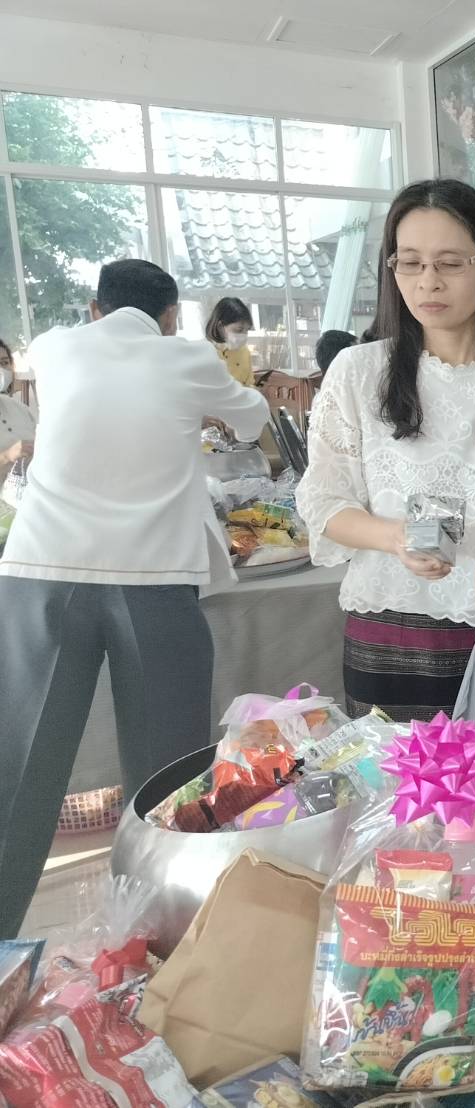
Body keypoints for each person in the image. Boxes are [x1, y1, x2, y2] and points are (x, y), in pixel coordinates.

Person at [294, 178, 475, 856]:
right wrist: (394, 538)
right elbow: (322, 499)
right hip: (390, 638)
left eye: (450, 262)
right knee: (407, 838)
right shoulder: (358, 372)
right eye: (410, 262)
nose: (428, 280)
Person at [0, 259, 269, 937]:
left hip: (41, 567)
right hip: (152, 577)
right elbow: (252, 420)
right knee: (165, 773)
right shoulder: (188, 358)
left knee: (21, 768)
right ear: (172, 315)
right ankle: (155, 941)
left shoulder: (55, 348)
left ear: (95, 307)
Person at [0, 337, 36, 474]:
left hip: (31, 491)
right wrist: (6, 456)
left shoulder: (20, 409)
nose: (1, 371)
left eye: (4, 363)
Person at [205, 296, 256, 385]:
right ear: (220, 327)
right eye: (239, 330)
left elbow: (250, 385)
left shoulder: (244, 352)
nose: (244, 336)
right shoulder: (205, 352)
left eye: (247, 330)